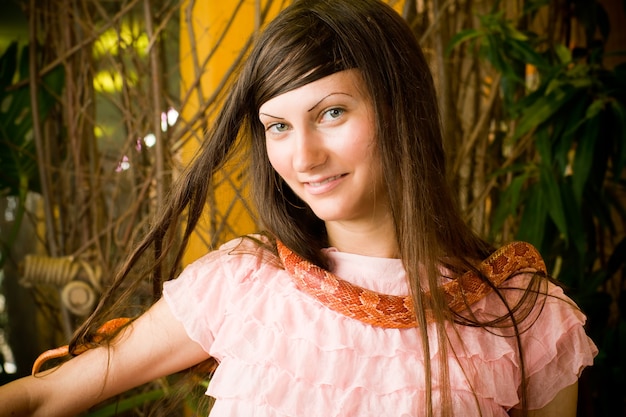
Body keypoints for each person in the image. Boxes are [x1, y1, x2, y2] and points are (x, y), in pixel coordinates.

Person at [0, 0, 597, 416]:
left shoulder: (524, 312)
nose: (303, 156)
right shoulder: (244, 282)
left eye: (332, 112)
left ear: (400, 109)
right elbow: (43, 397)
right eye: (278, 125)